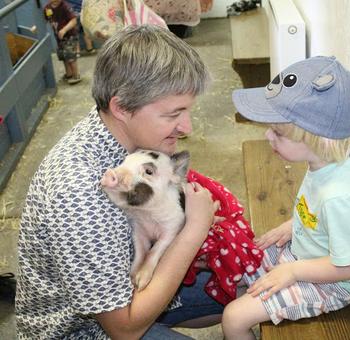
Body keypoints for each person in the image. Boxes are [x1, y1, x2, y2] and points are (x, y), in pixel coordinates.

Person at [16, 25, 223, 339]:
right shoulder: (79, 192)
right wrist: (195, 231)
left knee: (247, 282)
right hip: (88, 330)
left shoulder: (123, 132)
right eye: (173, 114)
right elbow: (123, 329)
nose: (187, 127)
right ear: (121, 106)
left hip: (129, 281)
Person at [222, 56, 350, 339]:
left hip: (336, 283)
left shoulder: (338, 197)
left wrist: (293, 272)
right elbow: (318, 212)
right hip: (309, 252)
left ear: (319, 138)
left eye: (279, 133)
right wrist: (293, 225)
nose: (268, 137)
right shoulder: (331, 162)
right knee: (242, 262)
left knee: (234, 317)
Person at [43, 0, 81, 84]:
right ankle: (69, 74)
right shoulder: (47, 8)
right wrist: (36, 27)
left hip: (69, 36)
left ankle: (76, 75)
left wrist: (64, 29)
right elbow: (44, 20)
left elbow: (74, 21)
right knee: (63, 57)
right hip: (59, 38)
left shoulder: (65, 6)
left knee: (70, 56)